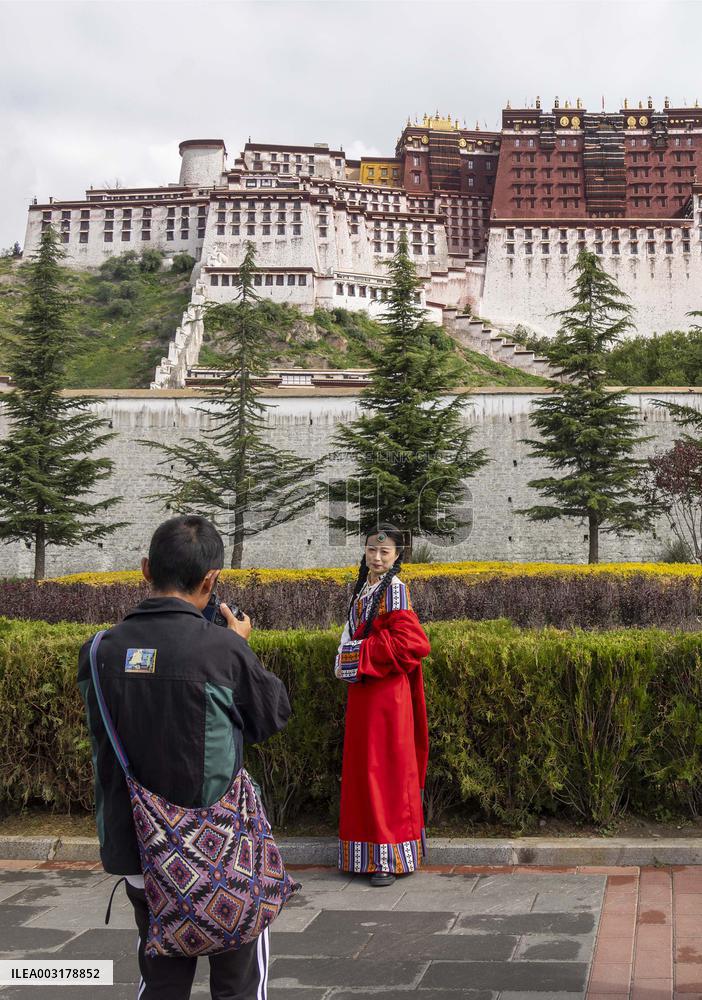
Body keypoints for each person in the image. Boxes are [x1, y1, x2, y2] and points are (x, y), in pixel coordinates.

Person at [77, 514, 291, 1000]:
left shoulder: (97, 652)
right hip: (221, 852)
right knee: (237, 985)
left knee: (162, 982)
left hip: (137, 850)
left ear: (145, 568)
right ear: (211, 580)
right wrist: (237, 648)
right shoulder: (221, 651)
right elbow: (271, 717)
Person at [334, 523, 431, 887]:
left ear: (396, 555)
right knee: (364, 770)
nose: (376, 557)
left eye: (384, 552)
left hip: (386, 696)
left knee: (384, 772)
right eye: (372, 551)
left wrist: (357, 656)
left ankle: (387, 858)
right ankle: (365, 852)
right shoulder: (367, 588)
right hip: (366, 694)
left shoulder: (394, 591)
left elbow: (413, 644)